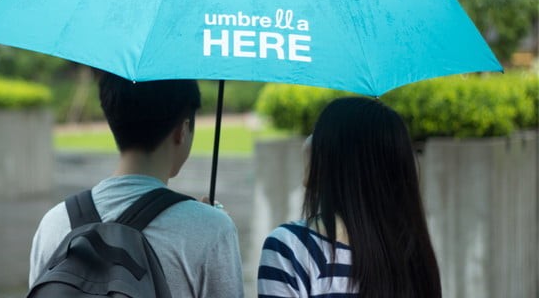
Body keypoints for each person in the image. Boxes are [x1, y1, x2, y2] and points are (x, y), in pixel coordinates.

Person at [29, 72, 244, 297]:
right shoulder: (212, 230)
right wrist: (212, 223)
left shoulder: (54, 223)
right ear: (182, 130)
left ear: (112, 119)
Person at [257, 96, 441, 298]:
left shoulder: (291, 248)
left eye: (318, 132)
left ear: (338, 157)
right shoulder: (413, 255)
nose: (309, 140)